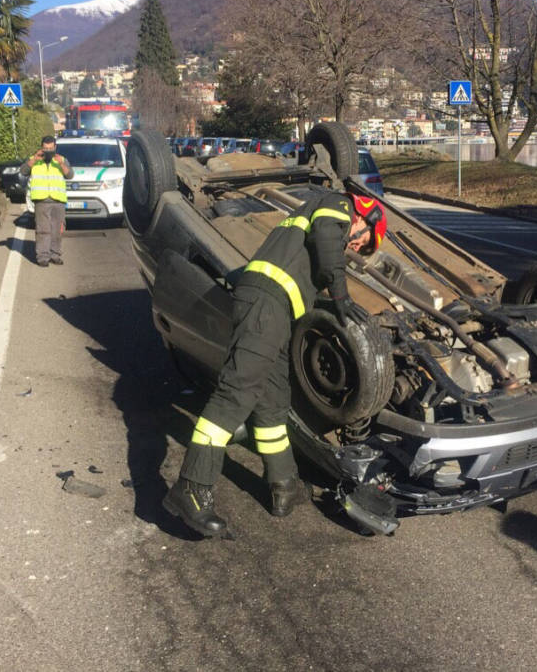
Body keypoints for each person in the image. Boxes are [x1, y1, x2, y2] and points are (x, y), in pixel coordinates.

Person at [163, 192, 388, 537]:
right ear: (363, 216)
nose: (355, 249)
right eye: (362, 242)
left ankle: (284, 484)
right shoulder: (336, 204)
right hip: (266, 306)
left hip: (276, 311)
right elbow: (327, 237)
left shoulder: (309, 226)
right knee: (236, 394)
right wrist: (341, 296)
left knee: (273, 403)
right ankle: (191, 488)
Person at [18, 135, 73, 267]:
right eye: (45, 148)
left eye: (50, 148)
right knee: (43, 230)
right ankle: (43, 257)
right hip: (41, 200)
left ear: (55, 147)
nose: (48, 151)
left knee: (57, 230)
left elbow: (70, 175)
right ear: (41, 148)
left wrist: (60, 163)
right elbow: (23, 171)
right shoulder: (34, 159)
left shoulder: (62, 160)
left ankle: (55, 254)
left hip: (58, 200)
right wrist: (34, 160)